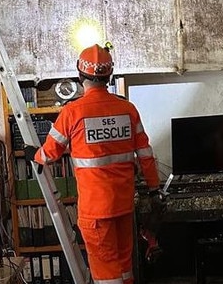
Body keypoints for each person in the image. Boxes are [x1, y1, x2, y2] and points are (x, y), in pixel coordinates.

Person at [25, 44, 161, 284]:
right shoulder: (127, 109)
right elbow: (146, 154)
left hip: (96, 211)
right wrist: (153, 189)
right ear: (108, 77)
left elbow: (49, 154)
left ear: (80, 76)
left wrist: (34, 155)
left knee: (106, 274)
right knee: (124, 267)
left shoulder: (72, 112)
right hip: (124, 206)